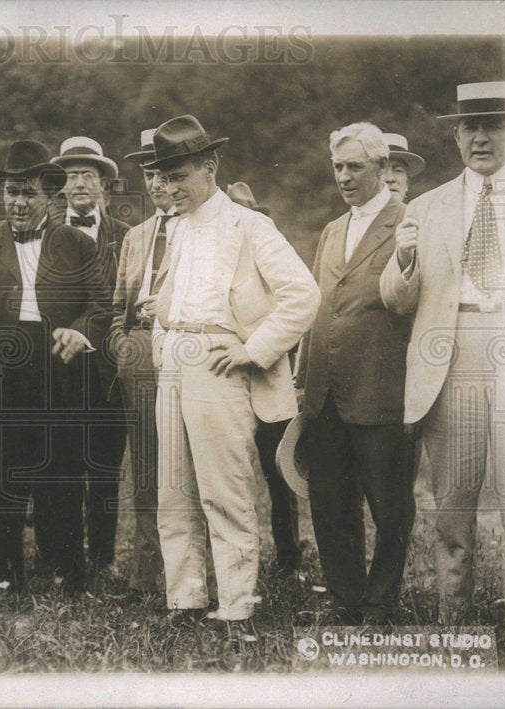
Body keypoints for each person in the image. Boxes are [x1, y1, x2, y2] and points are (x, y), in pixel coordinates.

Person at [147, 115, 319, 633]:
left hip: (219, 363)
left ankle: (237, 604)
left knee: (224, 490)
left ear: (210, 167)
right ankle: (186, 598)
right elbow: (167, 298)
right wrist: (161, 344)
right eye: (164, 176)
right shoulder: (175, 229)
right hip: (175, 359)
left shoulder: (249, 225)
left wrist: (255, 349)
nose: (170, 187)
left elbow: (303, 295)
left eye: (179, 174)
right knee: (173, 491)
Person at [0, 140, 113, 594]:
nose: (18, 202)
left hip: (58, 364)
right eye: (12, 192)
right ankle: (6, 573)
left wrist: (80, 331)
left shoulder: (74, 243)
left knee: (63, 470)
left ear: (49, 196)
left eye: (29, 193)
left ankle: (66, 569)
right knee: (3, 474)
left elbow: (100, 305)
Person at [380, 81, 505, 624]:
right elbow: (394, 298)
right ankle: (452, 619)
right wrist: (405, 259)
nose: (480, 138)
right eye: (469, 127)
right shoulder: (426, 206)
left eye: (493, 126)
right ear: (456, 136)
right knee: (453, 504)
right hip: (450, 351)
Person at [296, 122, 416, 625]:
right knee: (330, 502)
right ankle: (345, 599)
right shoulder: (331, 229)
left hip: (380, 387)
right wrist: (304, 379)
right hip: (325, 391)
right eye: (338, 166)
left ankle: (380, 602)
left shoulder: (409, 222)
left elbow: (412, 301)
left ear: (384, 169)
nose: (343, 176)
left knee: (390, 507)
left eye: (355, 167)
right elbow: (322, 309)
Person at [50, 136, 132, 576]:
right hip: (57, 366)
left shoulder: (126, 237)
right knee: (62, 465)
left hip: (107, 369)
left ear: (104, 184)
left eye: (88, 175)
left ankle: (101, 557)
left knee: (104, 466)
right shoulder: (43, 233)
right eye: (70, 175)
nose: (79, 183)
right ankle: (64, 558)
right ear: (61, 186)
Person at [106, 128, 177, 602]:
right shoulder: (136, 237)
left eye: (165, 173)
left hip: (187, 358)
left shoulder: (205, 231)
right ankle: (146, 578)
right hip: (139, 366)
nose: (156, 184)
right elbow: (117, 307)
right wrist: (121, 344)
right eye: (149, 174)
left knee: (187, 473)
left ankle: (190, 578)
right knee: (147, 471)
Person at [225, 181, 303, 579]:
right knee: (231, 473)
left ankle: (289, 557)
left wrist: (262, 349)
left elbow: (295, 316)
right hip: (229, 378)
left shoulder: (274, 263)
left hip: (271, 375)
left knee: (279, 471)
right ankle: (237, 559)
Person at [383, 133, 426, 203]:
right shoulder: (359, 213)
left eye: (398, 170)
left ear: (407, 184)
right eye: (383, 170)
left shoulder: (418, 213)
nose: (391, 178)